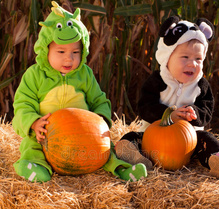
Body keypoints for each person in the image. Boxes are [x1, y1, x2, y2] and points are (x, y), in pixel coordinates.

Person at [12, 1, 147, 183]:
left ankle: (122, 169)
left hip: (84, 135)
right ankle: (35, 167)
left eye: (75, 52)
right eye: (61, 51)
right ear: (46, 50)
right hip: (45, 137)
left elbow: (99, 100)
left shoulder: (85, 74)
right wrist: (33, 123)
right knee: (31, 147)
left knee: (106, 150)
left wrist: (101, 121)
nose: (69, 58)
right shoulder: (34, 75)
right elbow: (22, 104)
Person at [115, 16, 219, 178]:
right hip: (153, 137)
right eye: (185, 57)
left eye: (198, 59)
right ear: (167, 58)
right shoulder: (157, 80)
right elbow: (145, 106)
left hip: (189, 142)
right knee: (134, 137)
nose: (192, 64)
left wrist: (195, 114)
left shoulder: (201, 85)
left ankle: (217, 159)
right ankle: (134, 155)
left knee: (206, 139)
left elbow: (207, 109)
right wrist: (168, 114)